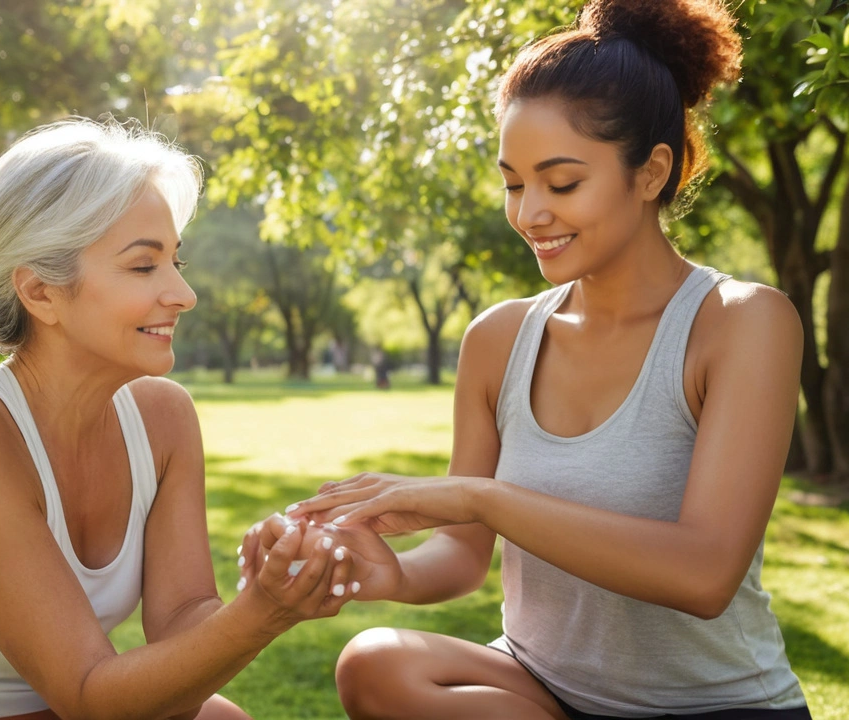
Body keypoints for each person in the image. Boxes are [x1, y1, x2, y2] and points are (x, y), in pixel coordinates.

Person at [280, 1, 815, 718]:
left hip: (709, 705)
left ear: (653, 171)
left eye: (561, 183)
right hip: (544, 689)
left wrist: (480, 497)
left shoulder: (742, 323)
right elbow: (463, 557)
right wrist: (388, 574)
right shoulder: (498, 340)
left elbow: (706, 572)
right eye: (513, 183)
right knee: (376, 664)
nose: (530, 213)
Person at [0, 119, 359, 720]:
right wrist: (262, 616)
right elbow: (89, 696)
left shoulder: (163, 418)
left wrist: (267, 589)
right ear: (41, 292)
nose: (184, 293)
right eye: (142, 266)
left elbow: (182, 619)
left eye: (175, 261)